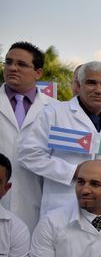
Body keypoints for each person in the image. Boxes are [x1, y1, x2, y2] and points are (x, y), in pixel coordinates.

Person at [18, 61, 101, 216]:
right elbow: (29, 155)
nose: (98, 90)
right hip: (61, 206)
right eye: (91, 83)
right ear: (78, 85)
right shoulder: (54, 113)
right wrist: (73, 172)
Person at [0, 41, 58, 232]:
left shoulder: (56, 110)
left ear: (38, 73)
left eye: (21, 64)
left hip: (37, 204)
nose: (12, 68)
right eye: (8, 62)